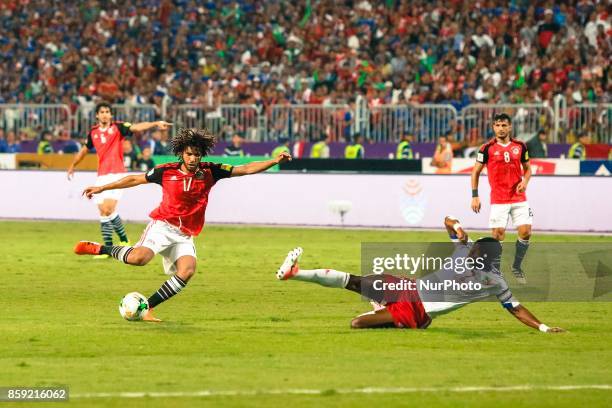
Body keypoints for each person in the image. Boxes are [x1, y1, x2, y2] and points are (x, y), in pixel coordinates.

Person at [74, 127, 292, 321]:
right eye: (189, 154)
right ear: (182, 153)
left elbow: (245, 169)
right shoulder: (166, 171)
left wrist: (273, 162)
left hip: (185, 234)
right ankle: (98, 247)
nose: (193, 158)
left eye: (197, 154)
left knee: (187, 271)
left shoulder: (210, 171)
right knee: (138, 259)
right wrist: (102, 188)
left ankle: (147, 307)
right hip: (162, 225)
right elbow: (133, 179)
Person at [276, 216, 564, 333]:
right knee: (355, 281)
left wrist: (542, 327)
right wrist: (458, 226)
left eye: (476, 252)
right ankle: (295, 272)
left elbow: (515, 308)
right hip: (409, 287)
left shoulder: (494, 282)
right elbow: (448, 221)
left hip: (418, 311)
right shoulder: (465, 249)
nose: (471, 252)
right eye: (472, 248)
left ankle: (386, 313)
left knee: (356, 324)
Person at [67, 102, 172, 258]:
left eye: (107, 111)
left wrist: (155, 123)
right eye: (102, 111)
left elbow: (137, 127)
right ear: (97, 115)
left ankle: (107, 249)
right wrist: (73, 165)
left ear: (111, 114)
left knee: (107, 209)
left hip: (117, 174)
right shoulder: (93, 133)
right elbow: (83, 150)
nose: (104, 114)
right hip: (101, 175)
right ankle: (123, 239)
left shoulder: (118, 128)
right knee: (104, 211)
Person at [471, 113, 532, 284]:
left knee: (526, 232)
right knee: (497, 235)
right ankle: (496, 272)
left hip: (519, 198)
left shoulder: (520, 146)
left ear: (510, 127)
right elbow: (475, 172)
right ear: (493, 127)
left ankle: (517, 266)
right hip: (498, 199)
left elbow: (528, 169)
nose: (501, 128)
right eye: (497, 125)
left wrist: (525, 181)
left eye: (504, 125)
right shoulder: (486, 148)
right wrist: (475, 196)